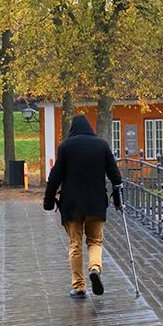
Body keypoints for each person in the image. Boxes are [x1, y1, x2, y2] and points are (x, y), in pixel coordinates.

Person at [43, 114, 123, 298]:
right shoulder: (102, 145)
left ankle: (79, 286)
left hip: (72, 206)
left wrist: (48, 200)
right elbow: (115, 177)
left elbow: (55, 176)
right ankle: (95, 267)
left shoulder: (66, 147)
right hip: (96, 204)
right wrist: (118, 201)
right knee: (95, 241)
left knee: (75, 245)